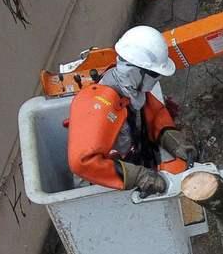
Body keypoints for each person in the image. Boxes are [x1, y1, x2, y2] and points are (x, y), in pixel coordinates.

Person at [67, 25, 195, 197]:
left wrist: (175, 141)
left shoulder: (132, 91)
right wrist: (140, 177)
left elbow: (155, 113)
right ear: (135, 71)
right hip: (101, 182)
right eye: (154, 74)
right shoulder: (98, 106)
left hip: (128, 161)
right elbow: (81, 163)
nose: (157, 80)